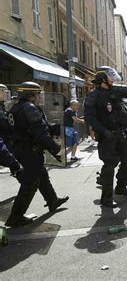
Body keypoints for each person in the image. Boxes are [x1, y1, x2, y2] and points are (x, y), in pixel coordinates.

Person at [84, 66, 127, 208]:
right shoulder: (93, 95)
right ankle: (106, 198)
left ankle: (121, 188)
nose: (112, 79)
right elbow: (90, 118)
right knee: (109, 166)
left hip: (121, 133)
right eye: (110, 76)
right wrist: (103, 132)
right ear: (102, 79)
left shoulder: (116, 91)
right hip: (107, 136)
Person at [6, 81, 69, 227]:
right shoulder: (30, 108)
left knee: (42, 175)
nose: (39, 96)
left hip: (21, 149)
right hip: (30, 150)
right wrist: (55, 147)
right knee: (30, 183)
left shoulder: (15, 108)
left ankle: (52, 200)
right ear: (31, 95)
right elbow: (39, 132)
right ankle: (16, 216)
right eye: (37, 94)